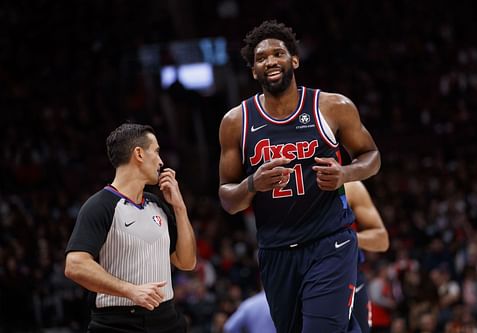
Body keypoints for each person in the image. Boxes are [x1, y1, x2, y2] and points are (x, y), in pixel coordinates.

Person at [218, 20, 381, 332]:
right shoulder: (236, 122)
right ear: (254, 71)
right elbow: (228, 198)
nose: (270, 61)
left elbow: (372, 157)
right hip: (276, 252)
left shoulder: (332, 106)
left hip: (329, 243)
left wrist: (344, 173)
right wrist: (253, 183)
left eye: (277, 53)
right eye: (261, 58)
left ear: (294, 59)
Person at [65, 123, 196, 332]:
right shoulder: (100, 205)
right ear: (139, 154)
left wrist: (179, 207)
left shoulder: (158, 204)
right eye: (156, 152)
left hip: (167, 319)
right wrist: (130, 290)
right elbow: (75, 265)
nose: (161, 162)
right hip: (118, 323)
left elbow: (187, 262)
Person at [345, 180, 390, 333]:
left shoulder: (350, 187)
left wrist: (344, 239)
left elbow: (382, 240)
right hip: (310, 277)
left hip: (351, 279)